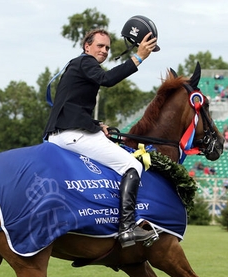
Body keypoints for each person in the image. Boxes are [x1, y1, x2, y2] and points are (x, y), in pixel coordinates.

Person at [43, 25, 159, 248]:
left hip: (60, 134)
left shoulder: (76, 66)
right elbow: (106, 79)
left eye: (107, 47)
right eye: (100, 46)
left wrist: (95, 125)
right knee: (132, 166)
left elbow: (69, 105)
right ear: (87, 46)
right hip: (73, 135)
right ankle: (126, 228)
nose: (105, 51)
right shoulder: (85, 61)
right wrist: (138, 58)